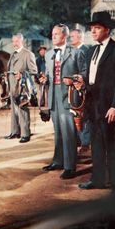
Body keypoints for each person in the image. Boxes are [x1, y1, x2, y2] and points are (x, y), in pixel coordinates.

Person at [76, 11, 115, 190]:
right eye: (92, 28)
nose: (93, 31)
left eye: (97, 28)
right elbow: (92, 76)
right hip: (93, 105)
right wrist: (81, 81)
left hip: (109, 105)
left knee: (113, 144)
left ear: (107, 30)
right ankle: (97, 179)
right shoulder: (92, 50)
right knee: (96, 143)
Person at [40, 24, 86, 180]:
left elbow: (83, 73)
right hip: (54, 98)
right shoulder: (49, 54)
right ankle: (58, 161)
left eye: (56, 34)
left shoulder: (76, 53)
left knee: (69, 133)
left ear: (64, 36)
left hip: (69, 97)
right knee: (58, 132)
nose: (53, 36)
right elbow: (48, 74)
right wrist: (45, 78)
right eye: (52, 34)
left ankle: (70, 166)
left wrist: (74, 80)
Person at [4, 33, 37, 143]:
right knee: (14, 110)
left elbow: (34, 72)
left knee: (23, 110)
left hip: (23, 88)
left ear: (22, 41)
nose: (14, 44)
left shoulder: (28, 54)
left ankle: (25, 134)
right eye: (13, 41)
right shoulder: (12, 55)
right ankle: (15, 132)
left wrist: (22, 75)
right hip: (12, 87)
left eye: (17, 41)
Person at [69, 29, 91, 154]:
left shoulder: (84, 51)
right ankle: (79, 140)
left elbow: (85, 71)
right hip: (74, 88)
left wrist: (79, 81)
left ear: (80, 37)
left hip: (83, 88)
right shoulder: (75, 51)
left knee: (84, 115)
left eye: (72, 36)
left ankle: (85, 142)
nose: (70, 38)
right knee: (76, 113)